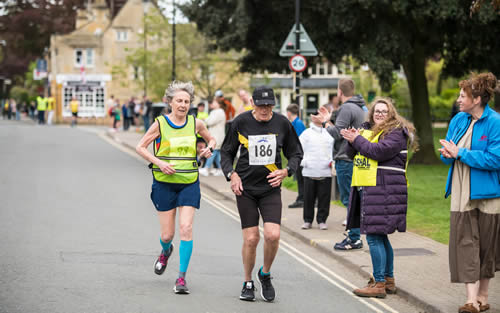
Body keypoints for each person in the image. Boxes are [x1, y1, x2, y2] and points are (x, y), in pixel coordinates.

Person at [221, 86, 303, 302]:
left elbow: (296, 152)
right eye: (260, 104)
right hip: (245, 188)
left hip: (270, 188)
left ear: (273, 105)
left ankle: (264, 274)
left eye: (269, 105)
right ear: (253, 104)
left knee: (273, 234)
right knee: (251, 238)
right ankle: (247, 281)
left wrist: (287, 171)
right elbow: (226, 152)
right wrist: (232, 175)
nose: (265, 109)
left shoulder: (282, 123)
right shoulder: (240, 122)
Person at [136, 81, 216, 295]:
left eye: (186, 101)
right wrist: (159, 162)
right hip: (164, 183)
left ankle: (181, 278)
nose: (182, 104)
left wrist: (208, 149)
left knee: (186, 228)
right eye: (179, 100)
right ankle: (165, 251)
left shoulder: (195, 123)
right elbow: (140, 146)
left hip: (189, 182)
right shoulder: (160, 124)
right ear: (170, 102)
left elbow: (212, 139)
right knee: (167, 234)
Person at [339, 97, 418, 298]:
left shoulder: (396, 132)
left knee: (374, 237)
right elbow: (351, 154)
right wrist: (353, 138)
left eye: (384, 111)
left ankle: (379, 282)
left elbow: (377, 152)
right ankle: (388, 280)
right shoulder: (369, 131)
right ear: (372, 113)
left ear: (391, 113)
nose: (380, 114)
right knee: (380, 235)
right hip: (370, 187)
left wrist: (357, 139)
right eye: (377, 111)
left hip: (384, 189)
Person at [439, 72, 500, 313]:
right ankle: (470, 300)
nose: (458, 99)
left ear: (477, 99)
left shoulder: (495, 122)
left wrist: (460, 154)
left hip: (489, 192)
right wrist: (447, 155)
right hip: (461, 190)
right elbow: (449, 153)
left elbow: (496, 159)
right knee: (465, 243)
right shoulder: (458, 120)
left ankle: (483, 296)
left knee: (486, 245)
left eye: (463, 96)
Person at [312, 78, 368, 250]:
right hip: (357, 158)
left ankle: (354, 237)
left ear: (339, 92)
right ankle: (355, 235)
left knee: (348, 199)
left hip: (345, 158)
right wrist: (329, 119)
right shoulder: (360, 108)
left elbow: (337, 134)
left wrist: (323, 123)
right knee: (355, 198)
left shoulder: (346, 108)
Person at [299, 113, 334, 230]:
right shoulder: (306, 133)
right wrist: (305, 162)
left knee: (324, 197)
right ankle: (307, 220)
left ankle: (322, 220)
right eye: (315, 115)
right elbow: (299, 150)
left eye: (320, 115)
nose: (318, 117)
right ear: (312, 117)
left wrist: (332, 161)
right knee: (309, 198)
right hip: (309, 170)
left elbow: (334, 148)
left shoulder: (329, 133)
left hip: (325, 170)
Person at [286, 103, 306, 208]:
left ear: (289, 113)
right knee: (299, 178)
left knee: (301, 178)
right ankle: (301, 198)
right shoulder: (296, 122)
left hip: (299, 155)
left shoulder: (297, 123)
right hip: (298, 155)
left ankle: (301, 199)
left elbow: (298, 140)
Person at [200, 98, 226, 176]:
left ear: (219, 104)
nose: (212, 104)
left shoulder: (218, 112)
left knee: (213, 151)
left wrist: (204, 119)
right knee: (217, 152)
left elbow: (210, 122)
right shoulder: (217, 112)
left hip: (217, 135)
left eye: (214, 102)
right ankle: (221, 169)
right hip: (216, 135)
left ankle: (207, 168)